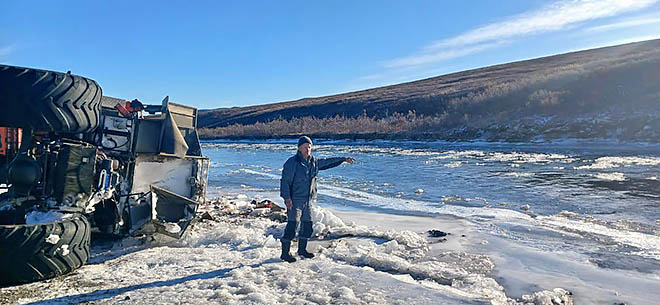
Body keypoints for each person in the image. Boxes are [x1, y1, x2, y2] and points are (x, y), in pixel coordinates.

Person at [279, 136, 355, 262]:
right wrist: (287, 198)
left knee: (307, 226)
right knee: (292, 227)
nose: (307, 149)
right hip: (295, 200)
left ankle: (302, 250)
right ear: (299, 148)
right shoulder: (292, 163)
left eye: (309, 147)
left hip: (308, 200)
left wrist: (343, 159)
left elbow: (328, 162)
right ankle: (285, 253)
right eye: (305, 147)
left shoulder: (313, 162)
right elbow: (284, 182)